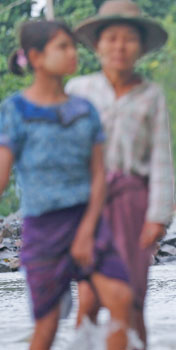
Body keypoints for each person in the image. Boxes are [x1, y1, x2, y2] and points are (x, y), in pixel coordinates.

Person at [0, 20, 132, 350]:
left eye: (73, 45)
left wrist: (87, 230)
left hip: (88, 220)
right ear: (36, 58)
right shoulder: (15, 110)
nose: (73, 52)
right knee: (46, 326)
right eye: (63, 46)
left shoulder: (84, 110)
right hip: (43, 230)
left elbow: (99, 175)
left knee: (121, 300)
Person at [66, 1, 175, 345]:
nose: (119, 46)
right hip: (86, 204)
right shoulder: (78, 92)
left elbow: (161, 159)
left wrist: (157, 217)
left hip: (131, 203)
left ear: (140, 47)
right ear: (97, 45)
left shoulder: (151, 95)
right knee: (87, 300)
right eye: (111, 38)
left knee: (131, 299)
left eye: (128, 39)